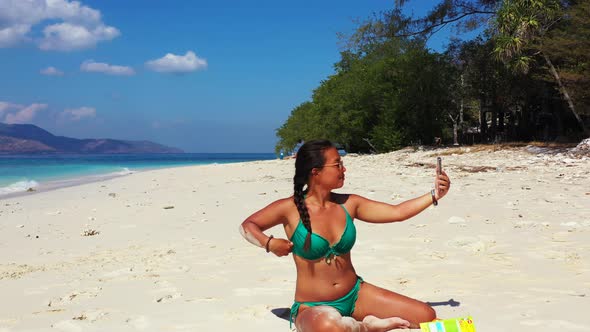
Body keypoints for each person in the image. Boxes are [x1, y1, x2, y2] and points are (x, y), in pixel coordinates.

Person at [239, 139, 451, 331]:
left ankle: (359, 323)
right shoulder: (289, 208)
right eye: (337, 164)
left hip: (355, 295)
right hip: (313, 306)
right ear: (316, 172)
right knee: (331, 326)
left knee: (426, 315)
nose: (344, 168)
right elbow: (248, 225)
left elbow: (397, 212)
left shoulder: (349, 204)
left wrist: (434, 194)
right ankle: (368, 327)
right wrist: (269, 243)